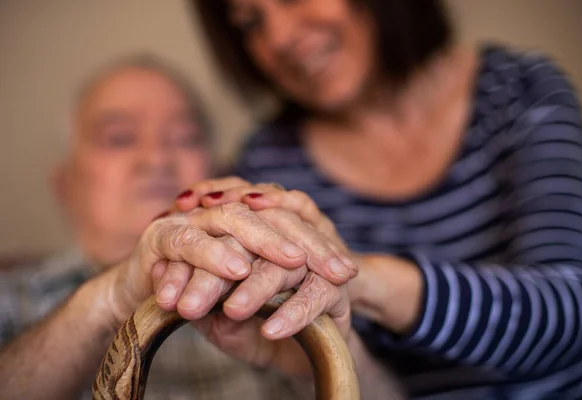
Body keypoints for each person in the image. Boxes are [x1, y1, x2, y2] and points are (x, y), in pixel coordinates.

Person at [179, 0, 582, 398]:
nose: (280, 38)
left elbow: (572, 312)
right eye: (251, 22)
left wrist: (354, 276)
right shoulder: (267, 163)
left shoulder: (520, 91)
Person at [0, 54, 379, 399]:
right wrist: (107, 302)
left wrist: (329, 357)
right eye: (119, 138)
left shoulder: (274, 291)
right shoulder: (13, 297)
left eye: (184, 138)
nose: (157, 158)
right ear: (63, 184)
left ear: (214, 173)